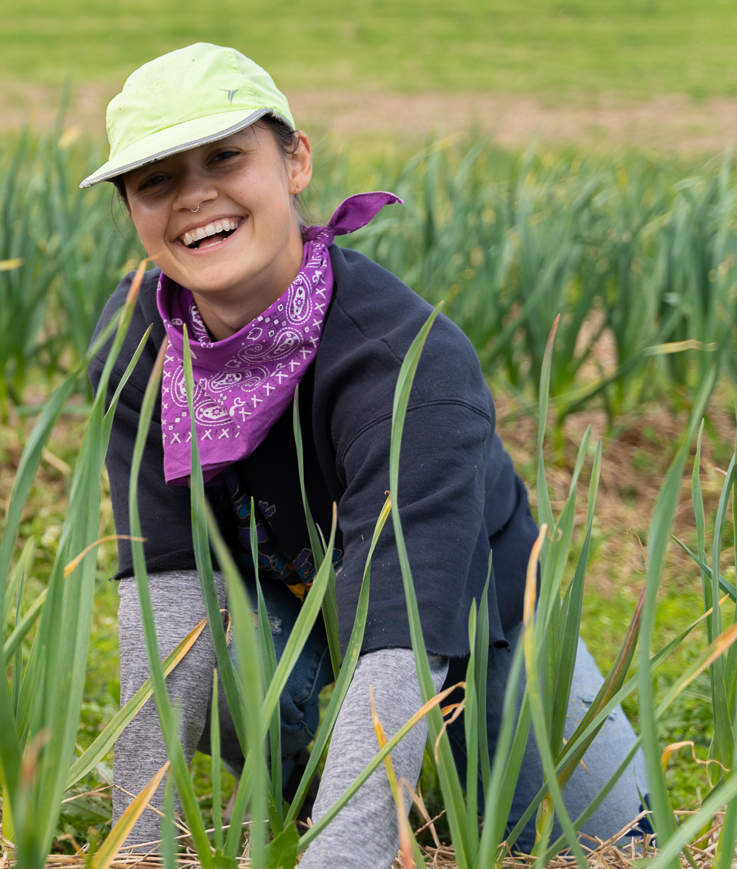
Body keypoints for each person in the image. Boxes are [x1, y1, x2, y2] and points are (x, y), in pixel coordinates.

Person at [82, 45, 647, 866]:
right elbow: (167, 588)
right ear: (131, 208)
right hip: (303, 634)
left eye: (226, 157)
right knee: (216, 625)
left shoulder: (405, 358)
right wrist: (139, 846)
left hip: (483, 648)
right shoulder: (141, 337)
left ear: (296, 160)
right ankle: (333, 796)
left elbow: (404, 627)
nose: (195, 195)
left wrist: (342, 857)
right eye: (156, 180)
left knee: (596, 846)